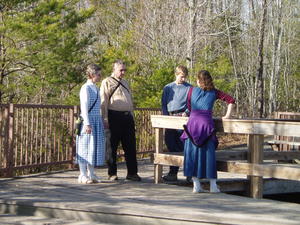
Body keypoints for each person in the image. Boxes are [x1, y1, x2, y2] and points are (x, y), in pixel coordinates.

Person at [181, 70, 235, 193]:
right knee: (208, 154)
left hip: (192, 124)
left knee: (191, 155)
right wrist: (227, 116)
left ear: (199, 81)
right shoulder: (215, 92)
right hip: (206, 125)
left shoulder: (191, 91)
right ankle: (213, 186)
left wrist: (190, 112)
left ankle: (196, 185)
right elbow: (231, 100)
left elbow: (189, 107)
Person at [100, 60, 141, 181]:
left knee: (130, 145)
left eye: (124, 70)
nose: (123, 72)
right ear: (114, 70)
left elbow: (130, 101)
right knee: (112, 146)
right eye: (121, 70)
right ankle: (112, 173)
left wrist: (132, 117)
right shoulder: (107, 81)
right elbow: (104, 101)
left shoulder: (126, 82)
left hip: (127, 117)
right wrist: (105, 118)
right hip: (114, 116)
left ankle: (132, 173)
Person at [76, 64, 105, 184]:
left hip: (96, 119)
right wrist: (87, 124)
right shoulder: (85, 88)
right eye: (98, 74)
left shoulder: (95, 88)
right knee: (84, 146)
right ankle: (82, 175)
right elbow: (84, 107)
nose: (100, 77)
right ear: (92, 74)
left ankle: (91, 173)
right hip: (88, 120)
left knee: (94, 147)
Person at [161, 65, 192, 181]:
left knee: (184, 146)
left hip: (183, 118)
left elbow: (191, 103)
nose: (183, 79)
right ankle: (172, 173)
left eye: (185, 77)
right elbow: (164, 103)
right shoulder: (168, 87)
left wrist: (187, 112)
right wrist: (165, 117)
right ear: (176, 74)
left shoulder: (189, 88)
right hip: (170, 116)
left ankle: (189, 174)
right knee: (171, 145)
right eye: (181, 76)